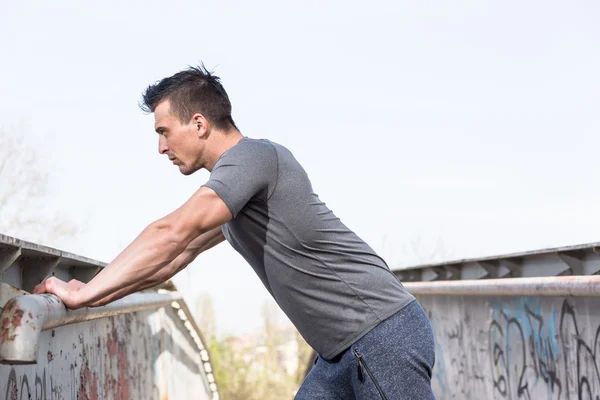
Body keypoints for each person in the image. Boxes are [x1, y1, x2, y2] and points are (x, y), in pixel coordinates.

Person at [33, 65, 436, 399]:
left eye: (163, 131)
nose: (160, 147)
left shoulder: (252, 158)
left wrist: (83, 292)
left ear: (199, 123)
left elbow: (172, 232)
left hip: (380, 335)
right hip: (339, 353)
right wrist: (92, 299)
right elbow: (173, 257)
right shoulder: (236, 191)